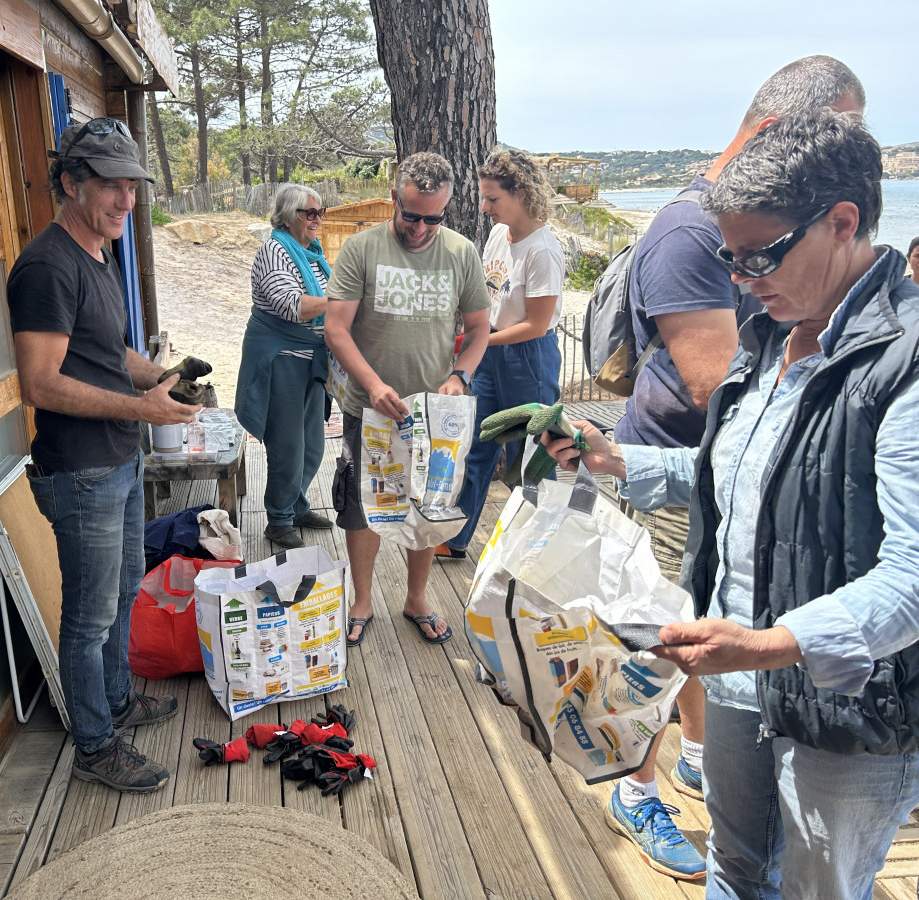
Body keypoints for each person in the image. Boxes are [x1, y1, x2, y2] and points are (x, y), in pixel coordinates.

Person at [546, 109, 919, 899]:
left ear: (844, 221)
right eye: (730, 258)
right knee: (736, 864)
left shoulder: (905, 365)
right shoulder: (769, 332)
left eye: (759, 256)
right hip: (738, 677)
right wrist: (616, 459)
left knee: (820, 889)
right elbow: (736, 475)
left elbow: (912, 576)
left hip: (845, 709)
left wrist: (772, 644)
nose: (741, 280)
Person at [597, 55, 866, 881]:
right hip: (682, 468)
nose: (849, 149)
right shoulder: (687, 230)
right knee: (656, 637)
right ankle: (635, 787)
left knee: (712, 639)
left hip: (713, 472)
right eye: (843, 131)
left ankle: (699, 760)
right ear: (781, 135)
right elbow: (720, 389)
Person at [7, 118, 200, 794]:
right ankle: (95, 742)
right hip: (80, 471)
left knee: (121, 592)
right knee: (88, 617)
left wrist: (151, 375)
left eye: (133, 186)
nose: (126, 200)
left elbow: (102, 347)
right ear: (70, 182)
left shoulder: (97, 254)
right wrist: (141, 409)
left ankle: (117, 700)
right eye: (111, 186)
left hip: (116, 458)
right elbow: (40, 382)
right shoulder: (45, 266)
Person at [324, 152, 490, 647]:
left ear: (447, 211)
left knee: (429, 506)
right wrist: (374, 385)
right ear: (394, 199)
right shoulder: (361, 249)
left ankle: (417, 598)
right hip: (369, 409)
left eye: (433, 219)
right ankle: (362, 599)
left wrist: (460, 375)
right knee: (361, 507)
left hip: (434, 415)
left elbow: (480, 329)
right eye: (411, 214)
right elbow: (336, 330)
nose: (420, 228)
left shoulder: (461, 253)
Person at [435, 149, 563, 561]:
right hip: (490, 351)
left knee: (532, 454)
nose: (484, 207)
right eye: (484, 197)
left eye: (493, 199)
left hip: (528, 357)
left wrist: (481, 341)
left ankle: (541, 549)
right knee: (477, 447)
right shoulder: (497, 236)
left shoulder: (542, 250)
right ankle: (457, 538)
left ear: (521, 193)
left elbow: (538, 325)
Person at [235, 184, 332, 550]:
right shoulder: (274, 250)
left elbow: (320, 302)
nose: (318, 219)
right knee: (288, 446)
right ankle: (278, 519)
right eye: (311, 213)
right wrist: (341, 300)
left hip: (309, 360)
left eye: (321, 212)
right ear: (290, 216)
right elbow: (293, 305)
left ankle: (296, 505)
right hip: (282, 360)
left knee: (312, 447)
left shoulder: (311, 253)